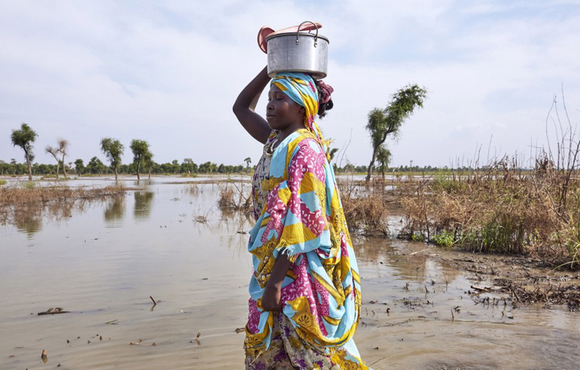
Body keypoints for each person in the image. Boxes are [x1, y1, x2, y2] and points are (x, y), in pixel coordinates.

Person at [233, 66, 369, 370]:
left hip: (296, 272)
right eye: (270, 97)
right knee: (272, 354)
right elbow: (241, 107)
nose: (270, 103)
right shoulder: (276, 141)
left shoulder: (304, 149)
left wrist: (277, 283)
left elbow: (302, 223)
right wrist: (270, 68)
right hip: (275, 269)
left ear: (301, 106)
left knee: (309, 357)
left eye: (280, 98)